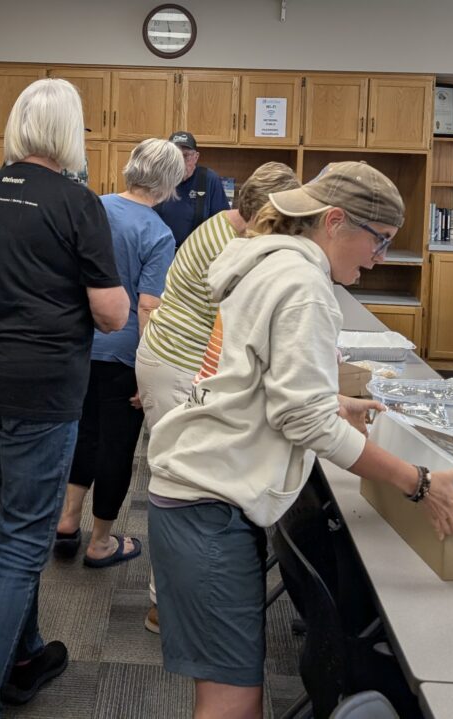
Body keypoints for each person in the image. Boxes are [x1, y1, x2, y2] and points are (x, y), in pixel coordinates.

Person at [145, 161, 453, 718]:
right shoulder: (302, 285)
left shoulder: (269, 262)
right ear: (334, 221)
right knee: (230, 705)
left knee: (234, 697)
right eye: (379, 241)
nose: (379, 259)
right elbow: (307, 425)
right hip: (207, 504)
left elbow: (253, 376)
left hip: (200, 488)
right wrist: (419, 483)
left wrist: (328, 397)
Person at [0, 78, 129, 717]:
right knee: (23, 542)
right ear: (72, 132)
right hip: (39, 392)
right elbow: (110, 315)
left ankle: (27, 651)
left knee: (17, 520)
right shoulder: (78, 203)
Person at [134, 161, 300, 633]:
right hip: (178, 367)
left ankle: (170, 599)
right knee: (183, 492)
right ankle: (162, 605)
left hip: (172, 361)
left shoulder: (227, 223)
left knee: (181, 487)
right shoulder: (236, 246)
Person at [53, 138, 185, 568]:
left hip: (78, 346)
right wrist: (147, 371)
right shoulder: (158, 233)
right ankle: (102, 542)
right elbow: (148, 305)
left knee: (83, 436)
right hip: (124, 354)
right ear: (171, 182)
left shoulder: (92, 206)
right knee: (117, 447)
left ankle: (67, 522)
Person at [154, 131, 230, 247]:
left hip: (195, 255)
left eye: (185, 156)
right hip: (160, 252)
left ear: (196, 157)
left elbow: (223, 223)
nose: (179, 162)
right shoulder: (157, 178)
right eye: (175, 156)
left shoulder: (208, 179)